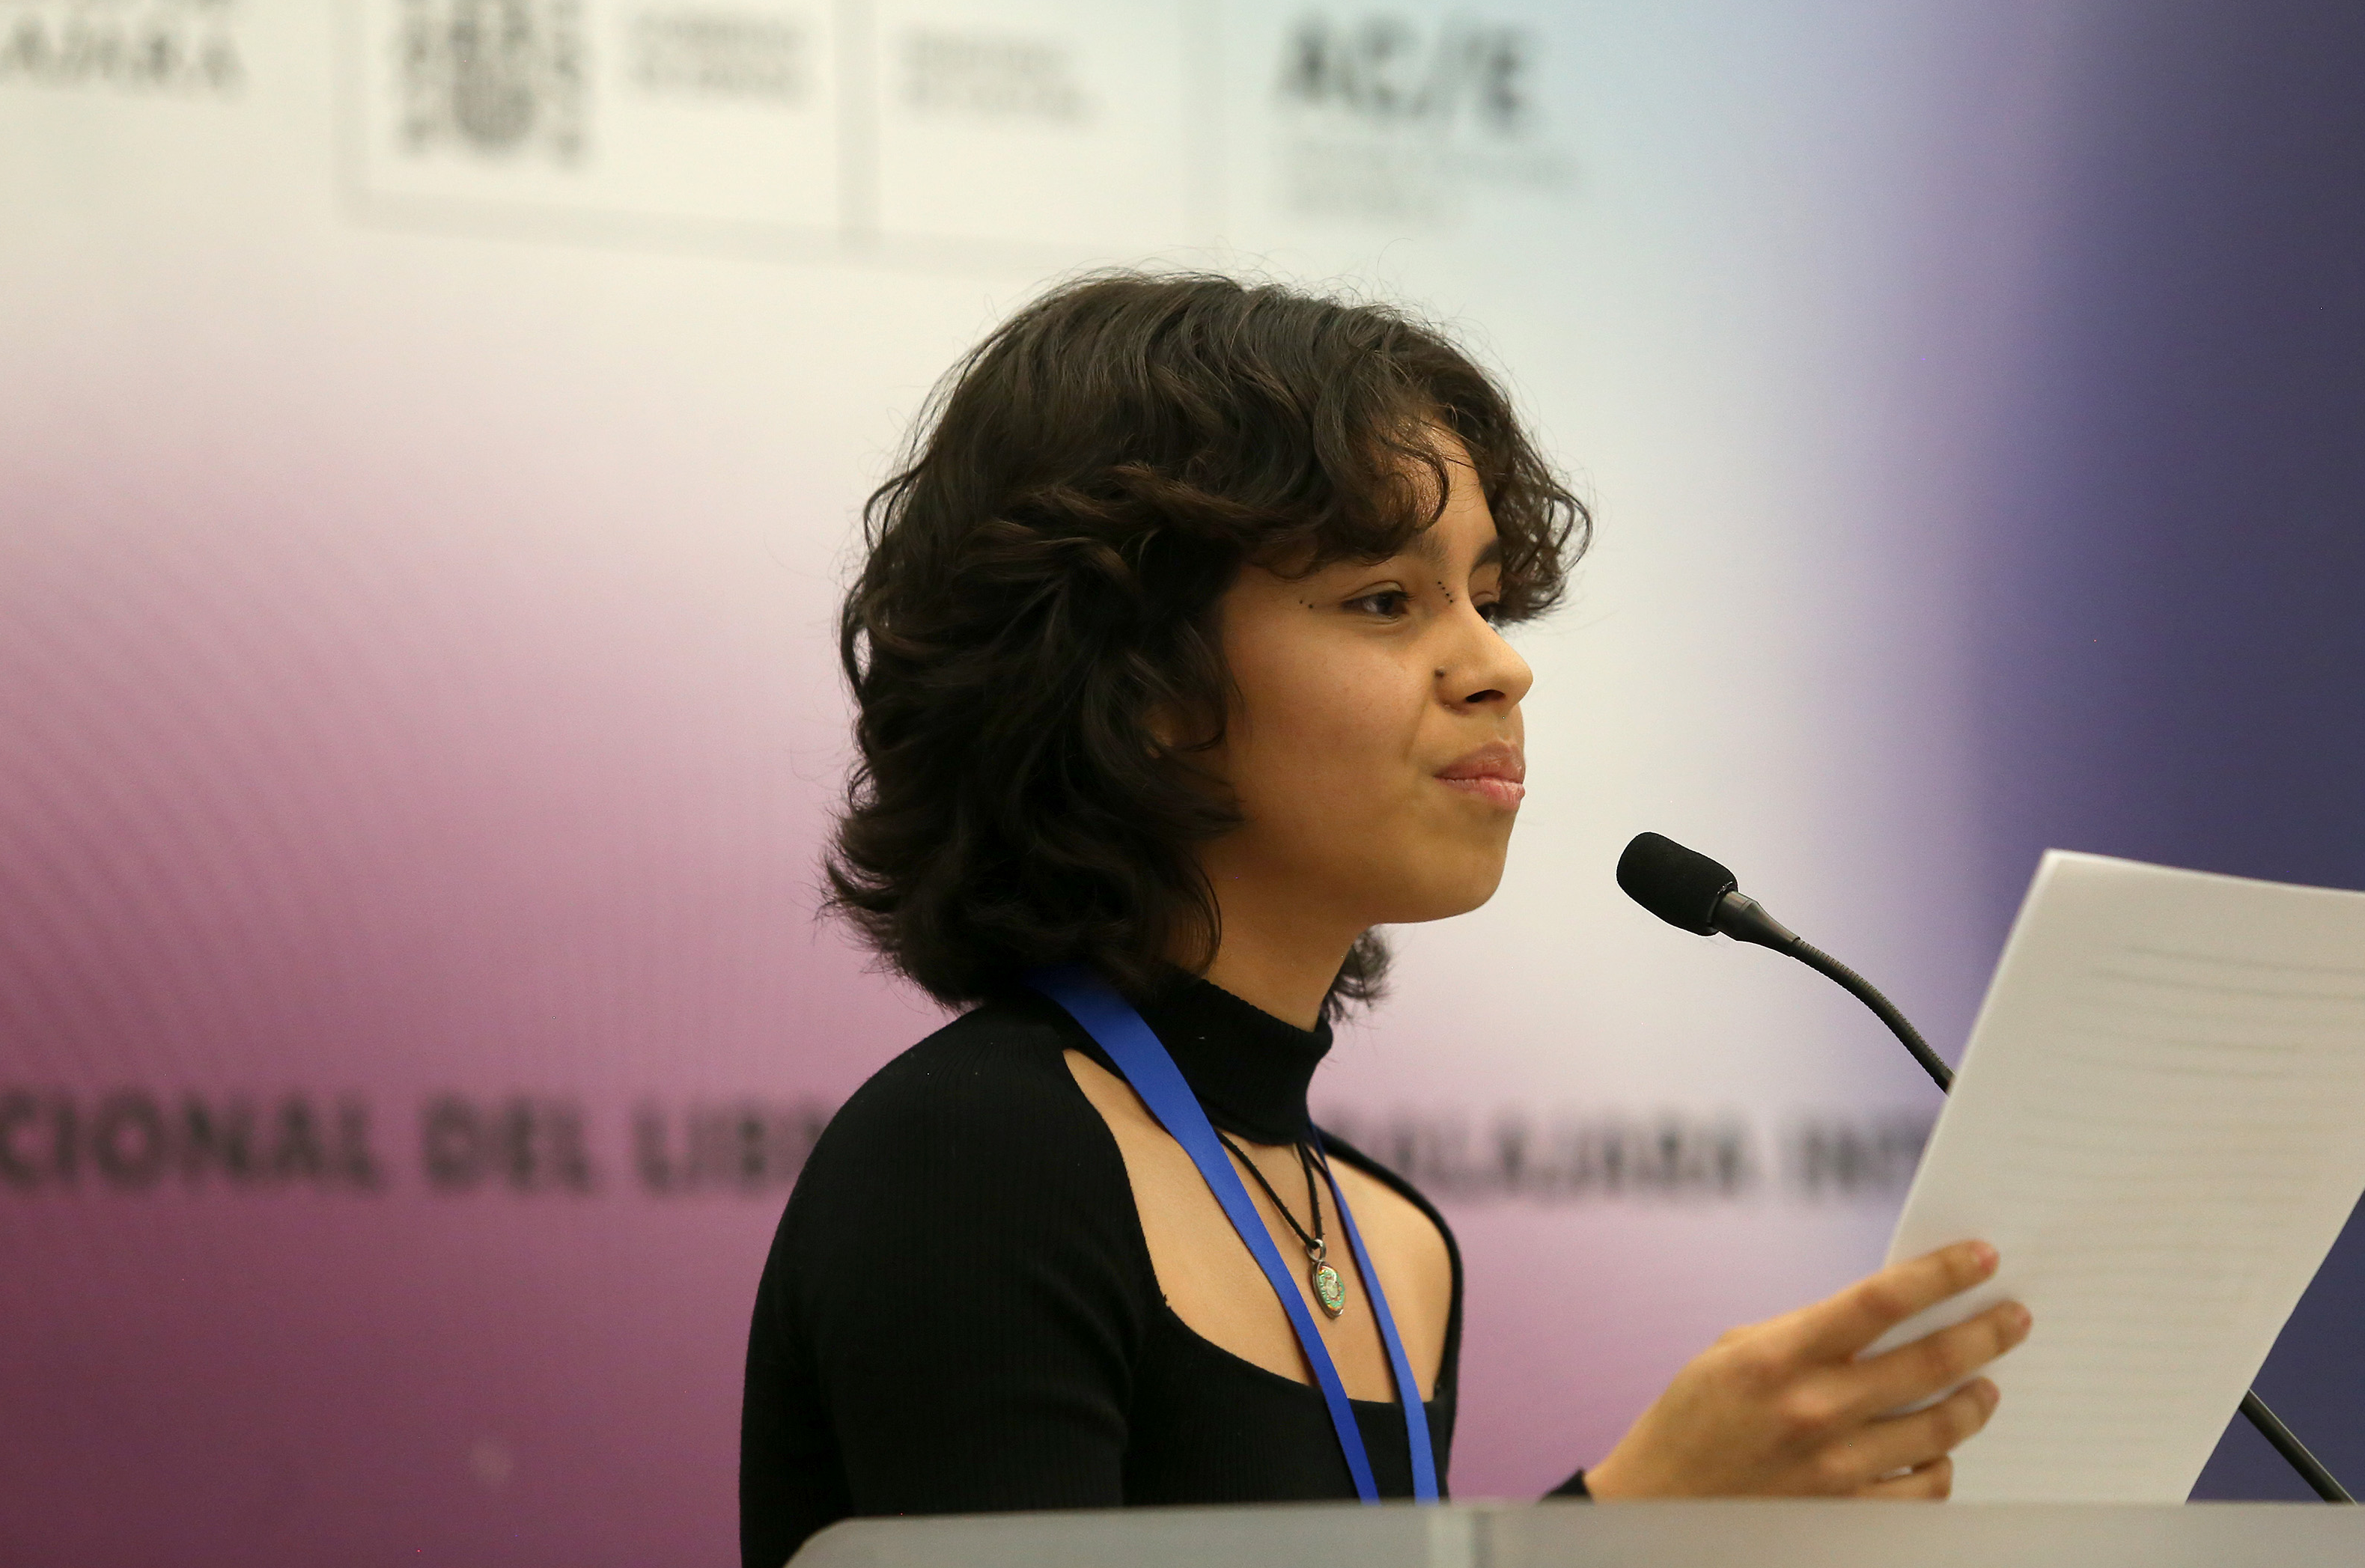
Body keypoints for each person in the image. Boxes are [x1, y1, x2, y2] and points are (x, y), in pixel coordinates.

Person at [739, 272, 2028, 1564]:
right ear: (1139, 681)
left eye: (1486, 599)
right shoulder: (975, 1159)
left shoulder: (1392, 1242)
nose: (1501, 665)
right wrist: (1628, 1526)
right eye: (1385, 601)